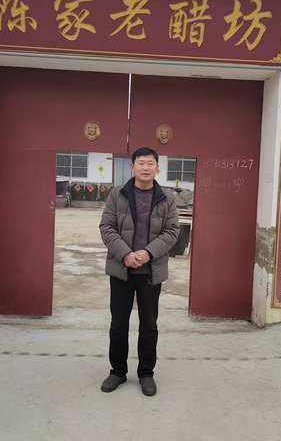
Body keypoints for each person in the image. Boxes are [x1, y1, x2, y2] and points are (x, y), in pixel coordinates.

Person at [99, 147, 180, 396]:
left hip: (150, 273)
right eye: (141, 163)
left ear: (157, 167)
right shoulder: (117, 194)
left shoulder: (167, 197)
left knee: (149, 325)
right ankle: (117, 371)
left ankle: (146, 373)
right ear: (132, 166)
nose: (146, 168)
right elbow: (107, 227)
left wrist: (147, 253)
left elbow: (172, 231)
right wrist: (125, 254)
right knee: (118, 324)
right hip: (121, 270)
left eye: (150, 163)